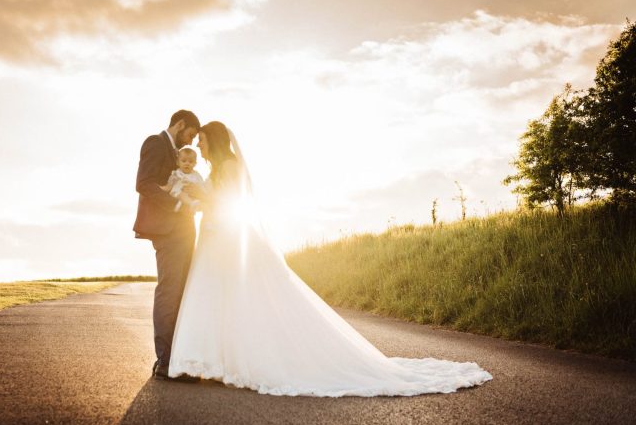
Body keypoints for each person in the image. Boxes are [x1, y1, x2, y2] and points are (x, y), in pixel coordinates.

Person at [168, 121, 493, 396]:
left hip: (228, 237)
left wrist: (204, 197)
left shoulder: (230, 166)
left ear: (216, 140)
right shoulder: (212, 169)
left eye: (202, 140)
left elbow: (232, 201)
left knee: (251, 297)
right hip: (215, 237)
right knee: (222, 298)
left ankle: (251, 357)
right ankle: (218, 359)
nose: (199, 146)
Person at [133, 110, 201, 381]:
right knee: (169, 290)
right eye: (191, 135)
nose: (193, 143)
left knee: (182, 290)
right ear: (180, 124)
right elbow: (144, 183)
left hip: (185, 229)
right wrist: (175, 202)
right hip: (168, 230)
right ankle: (165, 360)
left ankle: (179, 356)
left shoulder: (178, 154)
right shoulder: (155, 143)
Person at [161, 147, 203, 211]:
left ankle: (192, 204)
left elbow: (201, 186)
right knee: (181, 195)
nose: (187, 164)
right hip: (176, 195)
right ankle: (188, 203)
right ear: (178, 162)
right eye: (184, 161)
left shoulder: (196, 175)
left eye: (191, 162)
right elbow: (169, 186)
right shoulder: (176, 174)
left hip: (191, 195)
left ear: (195, 164)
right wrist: (162, 188)